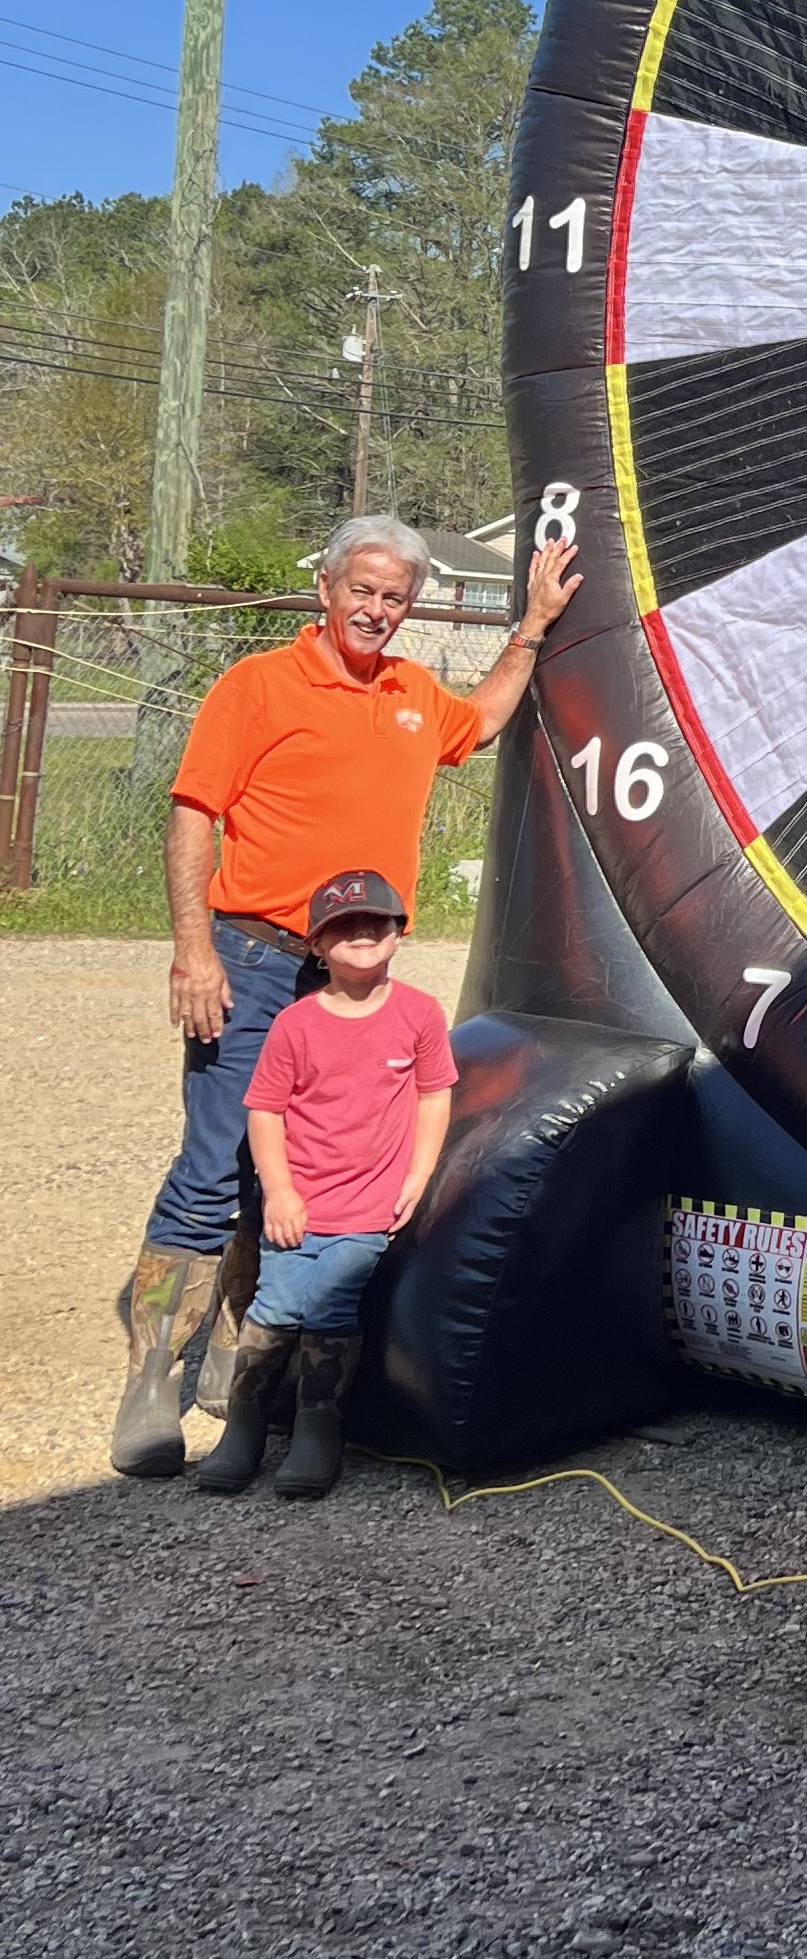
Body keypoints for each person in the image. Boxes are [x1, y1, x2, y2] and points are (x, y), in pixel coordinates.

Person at [108, 509, 580, 1476]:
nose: (375, 610)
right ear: (325, 590)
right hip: (252, 954)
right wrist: (193, 951)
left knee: (313, 1166)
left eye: (394, 598)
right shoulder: (259, 685)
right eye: (360, 591)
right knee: (214, 1163)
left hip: (354, 971)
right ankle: (155, 1377)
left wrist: (529, 628)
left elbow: (481, 721)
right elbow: (194, 815)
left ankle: (243, 1356)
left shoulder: (412, 692)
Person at [196, 870, 457, 1500]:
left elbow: (433, 1095)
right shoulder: (296, 1023)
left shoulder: (419, 1014)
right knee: (276, 1307)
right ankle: (248, 1423)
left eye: (377, 922)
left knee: (333, 1306)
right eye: (342, 926)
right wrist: (279, 1191)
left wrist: (419, 1175)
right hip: (299, 1206)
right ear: (315, 945)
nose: (361, 934)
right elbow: (265, 1110)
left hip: (371, 1206)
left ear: (399, 933)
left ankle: (319, 1424)